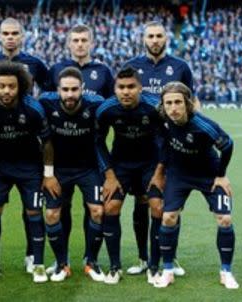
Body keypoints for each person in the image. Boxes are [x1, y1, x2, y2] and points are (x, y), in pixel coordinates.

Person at [0, 18, 50, 273]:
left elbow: (50, 92)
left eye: (14, 33)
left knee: (32, 209)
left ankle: (33, 256)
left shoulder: (35, 63)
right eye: (5, 33)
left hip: (28, 148)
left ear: (22, 36)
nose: (10, 37)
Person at [123, 20, 195, 275]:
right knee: (141, 201)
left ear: (166, 38)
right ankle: (143, 258)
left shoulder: (180, 67)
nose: (155, 40)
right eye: (150, 36)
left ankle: (168, 257)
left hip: (170, 148)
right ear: (144, 39)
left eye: (159, 36)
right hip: (139, 148)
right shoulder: (132, 67)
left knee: (167, 204)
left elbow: (192, 104)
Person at [154, 81, 238, 289]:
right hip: (179, 174)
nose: (173, 108)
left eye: (177, 102)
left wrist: (221, 175)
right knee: (168, 217)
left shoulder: (203, 126)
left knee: (225, 219)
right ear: (163, 105)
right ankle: (167, 270)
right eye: (168, 103)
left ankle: (226, 272)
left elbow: (227, 145)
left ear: (188, 104)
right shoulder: (163, 121)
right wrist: (161, 172)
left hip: (208, 174)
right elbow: (164, 145)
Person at [46, 23, 115, 273]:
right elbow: (46, 109)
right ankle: (61, 260)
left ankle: (90, 257)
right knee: (59, 210)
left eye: (84, 40)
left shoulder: (103, 72)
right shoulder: (55, 70)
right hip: (61, 158)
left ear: (91, 42)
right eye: (75, 40)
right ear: (69, 43)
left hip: (90, 157)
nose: (79, 44)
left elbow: (111, 109)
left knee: (94, 208)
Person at [96, 67, 164, 285]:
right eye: (121, 87)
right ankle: (115, 267)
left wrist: (160, 171)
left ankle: (152, 264)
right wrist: (109, 175)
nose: (126, 92)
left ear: (140, 88)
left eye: (131, 87)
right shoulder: (106, 109)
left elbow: (167, 139)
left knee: (156, 206)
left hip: (150, 165)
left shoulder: (154, 106)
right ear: (115, 88)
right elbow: (97, 142)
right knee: (110, 207)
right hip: (121, 166)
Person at [39, 67, 105, 282]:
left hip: (89, 169)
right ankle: (61, 264)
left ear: (82, 89)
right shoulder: (46, 103)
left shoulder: (95, 104)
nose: (69, 94)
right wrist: (48, 174)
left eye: (74, 89)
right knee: (52, 214)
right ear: (57, 89)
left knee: (97, 211)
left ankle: (91, 262)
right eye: (65, 89)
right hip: (59, 171)